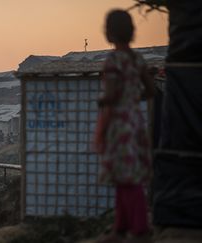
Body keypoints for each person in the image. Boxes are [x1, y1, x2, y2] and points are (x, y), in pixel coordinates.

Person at [94, 9, 154, 243]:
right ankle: (120, 228)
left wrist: (102, 100)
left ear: (109, 33)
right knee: (125, 177)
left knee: (126, 180)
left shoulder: (113, 61)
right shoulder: (137, 59)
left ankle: (139, 229)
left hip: (118, 126)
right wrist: (132, 98)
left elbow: (110, 94)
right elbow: (149, 90)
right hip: (135, 123)